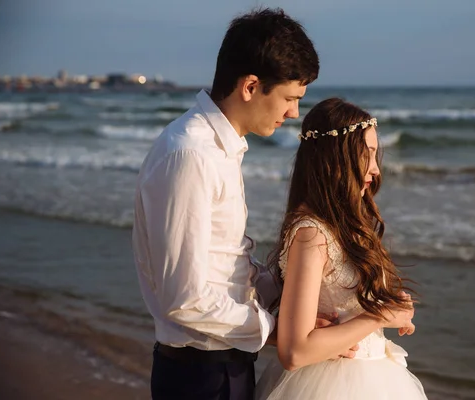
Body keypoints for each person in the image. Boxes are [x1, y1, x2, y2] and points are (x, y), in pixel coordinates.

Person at [131, 8, 330, 400]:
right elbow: (183, 299)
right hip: (200, 376)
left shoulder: (220, 149)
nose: (294, 113)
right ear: (251, 86)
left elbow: (224, 264)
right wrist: (277, 331)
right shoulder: (191, 153)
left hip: (221, 366)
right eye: (289, 98)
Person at [255, 98, 428, 399]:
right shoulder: (312, 234)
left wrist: (391, 306)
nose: (375, 169)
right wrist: (379, 316)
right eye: (367, 154)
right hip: (330, 385)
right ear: (337, 158)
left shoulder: (347, 225)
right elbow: (295, 352)